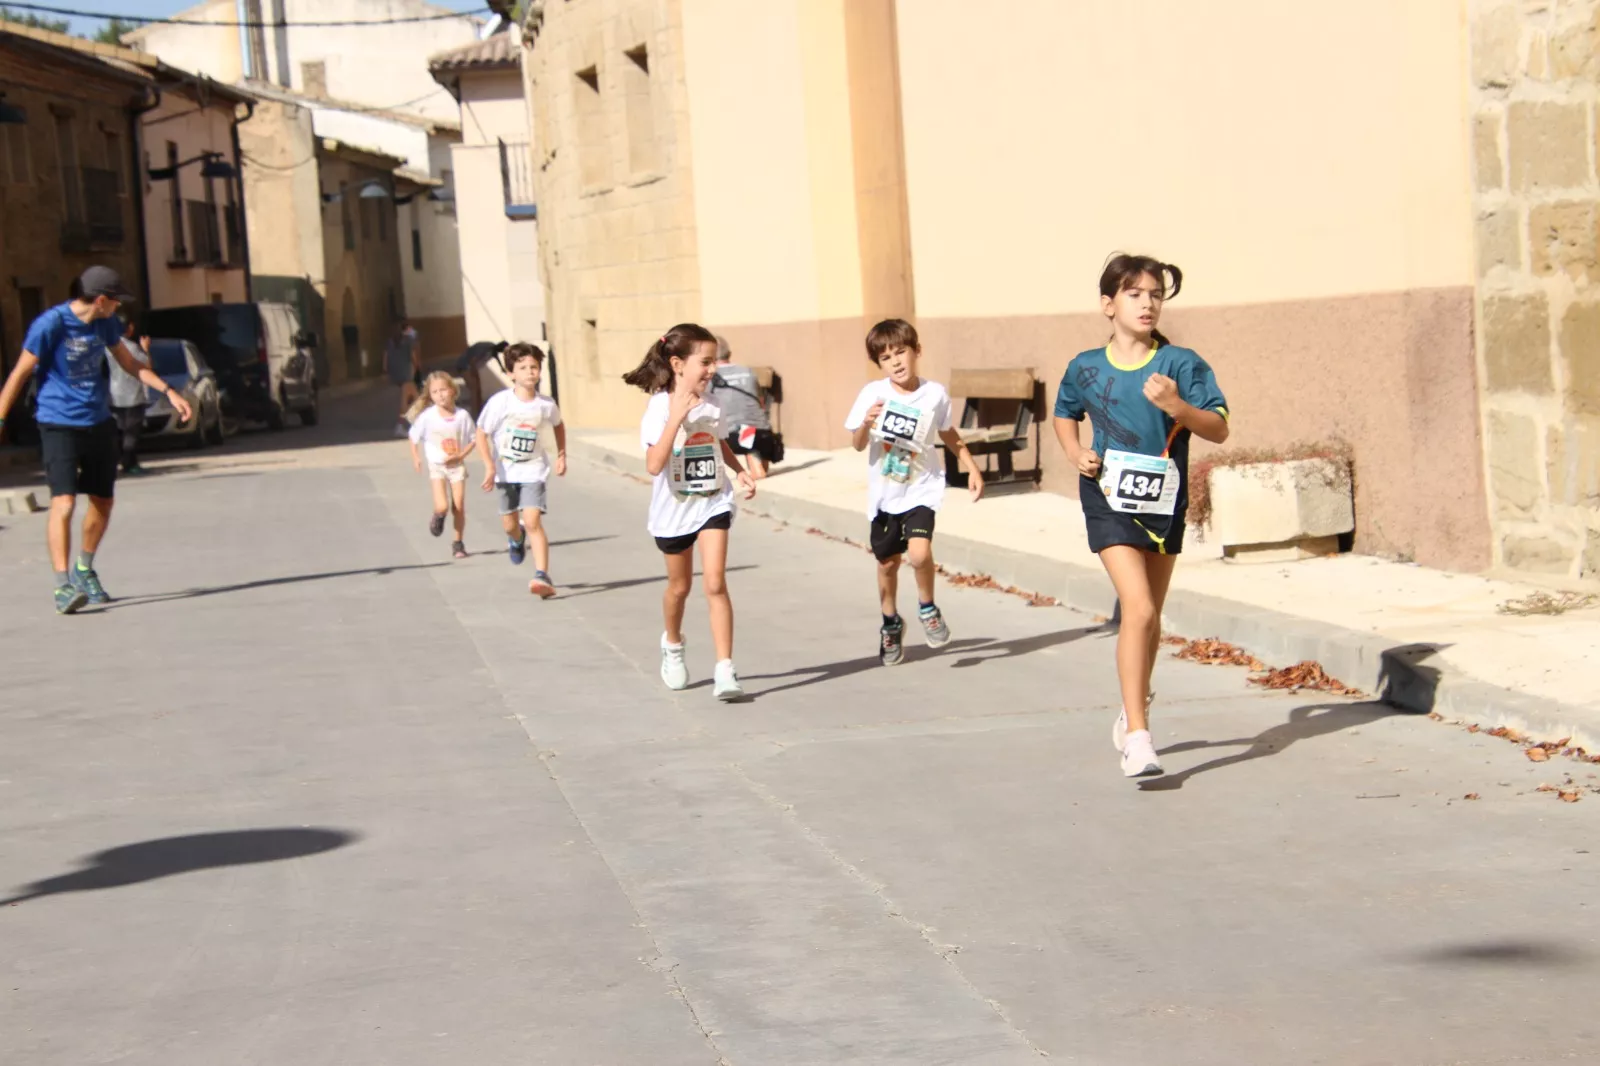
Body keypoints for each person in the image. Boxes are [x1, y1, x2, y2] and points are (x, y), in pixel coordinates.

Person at [1053, 253, 1230, 779]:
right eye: (1135, 294)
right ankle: (1138, 737)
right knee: (1139, 607)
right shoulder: (1085, 367)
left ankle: (1136, 702)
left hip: (1162, 500)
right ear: (1109, 305)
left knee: (1150, 614)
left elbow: (1218, 429)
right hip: (1106, 494)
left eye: (1155, 293)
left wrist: (1179, 407)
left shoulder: (1182, 365)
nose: (1147, 302)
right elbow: (1065, 413)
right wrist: (1073, 452)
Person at [0, 266, 193, 614]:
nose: (119, 308)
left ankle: (84, 569)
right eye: (116, 301)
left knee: (103, 502)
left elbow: (130, 364)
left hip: (98, 422)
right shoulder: (51, 325)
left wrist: (169, 390)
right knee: (64, 502)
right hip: (58, 423)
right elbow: (19, 373)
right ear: (101, 300)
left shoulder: (105, 324)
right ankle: (62, 586)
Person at [623, 323, 757, 701]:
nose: (712, 369)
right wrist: (676, 418)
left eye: (714, 361)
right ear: (678, 364)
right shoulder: (658, 408)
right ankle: (673, 642)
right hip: (673, 509)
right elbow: (653, 464)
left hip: (712, 500)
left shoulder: (713, 403)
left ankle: (725, 669)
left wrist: (739, 470)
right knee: (679, 588)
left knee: (715, 582)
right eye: (706, 362)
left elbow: (719, 443)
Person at [844, 318, 985, 667]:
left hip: (922, 488)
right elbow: (858, 445)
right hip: (885, 495)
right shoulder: (872, 395)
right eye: (886, 357)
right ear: (878, 364)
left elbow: (948, 431)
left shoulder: (934, 393)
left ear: (916, 351)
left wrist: (970, 464)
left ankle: (927, 607)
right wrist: (866, 423)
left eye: (901, 352)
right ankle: (890, 622)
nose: (895, 361)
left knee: (920, 555)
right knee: (887, 563)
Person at [475, 343, 565, 597]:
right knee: (509, 523)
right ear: (511, 373)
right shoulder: (500, 403)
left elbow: (559, 425)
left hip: (533, 471)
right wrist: (489, 466)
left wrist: (561, 454)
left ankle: (542, 575)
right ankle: (516, 539)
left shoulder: (546, 404)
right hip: (506, 473)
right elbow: (482, 434)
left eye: (534, 367)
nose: (530, 372)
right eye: (522, 367)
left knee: (534, 519)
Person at [409, 370, 477, 559]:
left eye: (443, 390)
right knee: (442, 506)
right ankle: (438, 517)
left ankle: (458, 543)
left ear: (453, 391)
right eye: (435, 392)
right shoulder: (428, 416)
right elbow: (413, 437)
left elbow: (474, 439)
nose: (440, 395)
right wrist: (416, 457)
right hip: (437, 466)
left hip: (457, 466)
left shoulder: (462, 416)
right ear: (430, 396)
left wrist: (461, 455)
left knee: (459, 505)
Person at [707, 334, 778, 478]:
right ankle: (759, 455)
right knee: (753, 432)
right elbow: (760, 400)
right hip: (764, 431)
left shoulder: (711, 378)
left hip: (736, 437)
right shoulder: (748, 371)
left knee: (740, 433)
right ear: (730, 354)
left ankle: (753, 457)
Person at [108, 315, 151, 476]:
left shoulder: (108, 348)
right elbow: (147, 366)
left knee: (119, 431)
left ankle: (121, 462)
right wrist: (146, 348)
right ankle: (129, 463)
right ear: (130, 328)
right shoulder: (132, 348)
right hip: (133, 395)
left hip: (114, 394)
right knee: (131, 432)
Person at [386, 318, 421, 437]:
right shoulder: (408, 340)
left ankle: (414, 424)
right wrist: (417, 367)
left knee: (414, 398)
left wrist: (388, 371)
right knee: (410, 400)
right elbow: (413, 357)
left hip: (396, 373)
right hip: (406, 373)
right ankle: (401, 426)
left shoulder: (390, 341)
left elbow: (385, 360)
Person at [455, 339, 509, 415]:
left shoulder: (493, 349)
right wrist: (474, 374)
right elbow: (473, 360)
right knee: (474, 389)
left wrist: (502, 368)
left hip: (472, 367)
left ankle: (478, 409)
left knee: (478, 389)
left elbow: (496, 358)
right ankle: (475, 412)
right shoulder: (488, 348)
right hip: (465, 366)